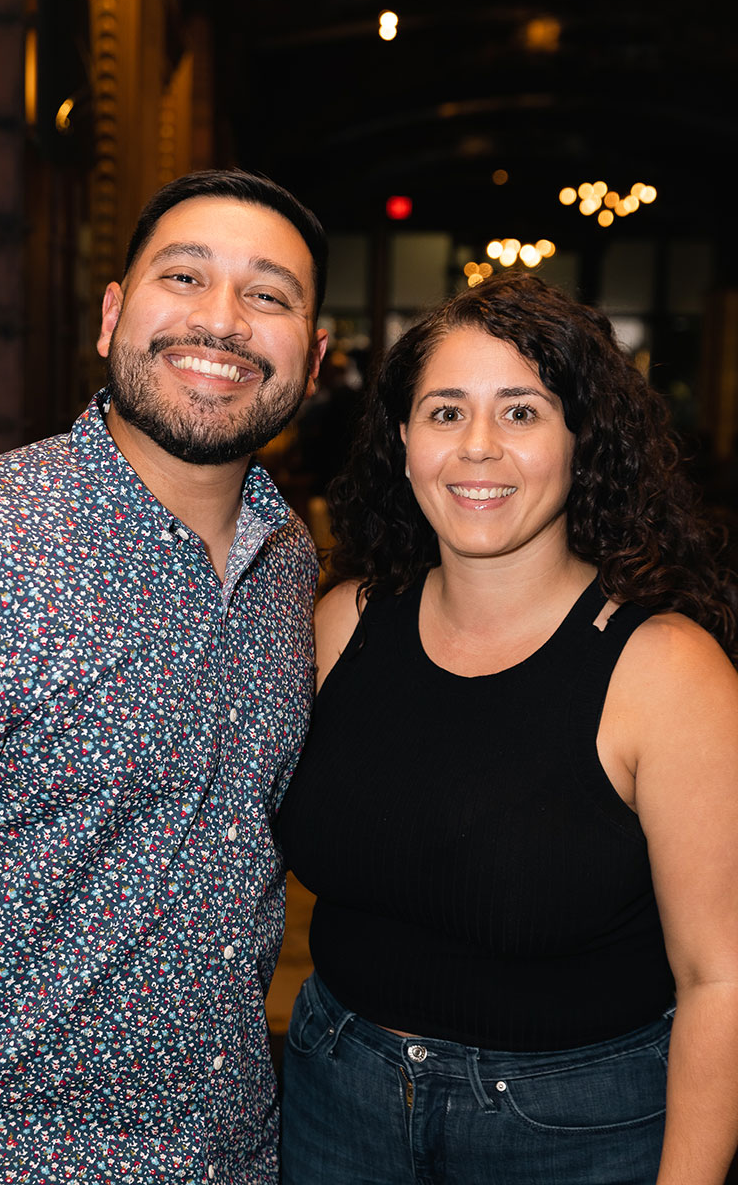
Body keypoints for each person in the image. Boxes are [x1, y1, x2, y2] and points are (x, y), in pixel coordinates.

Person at [277, 273, 738, 1185]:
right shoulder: (342, 624)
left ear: (580, 439)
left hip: (571, 1129)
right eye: (445, 412)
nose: (477, 446)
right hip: (334, 1094)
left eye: (521, 412)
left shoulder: (667, 672)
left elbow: (721, 980)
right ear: (404, 439)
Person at [0, 169, 328, 1183]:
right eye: (184, 276)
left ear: (313, 358)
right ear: (113, 314)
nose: (223, 321)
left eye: (268, 295)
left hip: (232, 1152)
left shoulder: (288, 562)